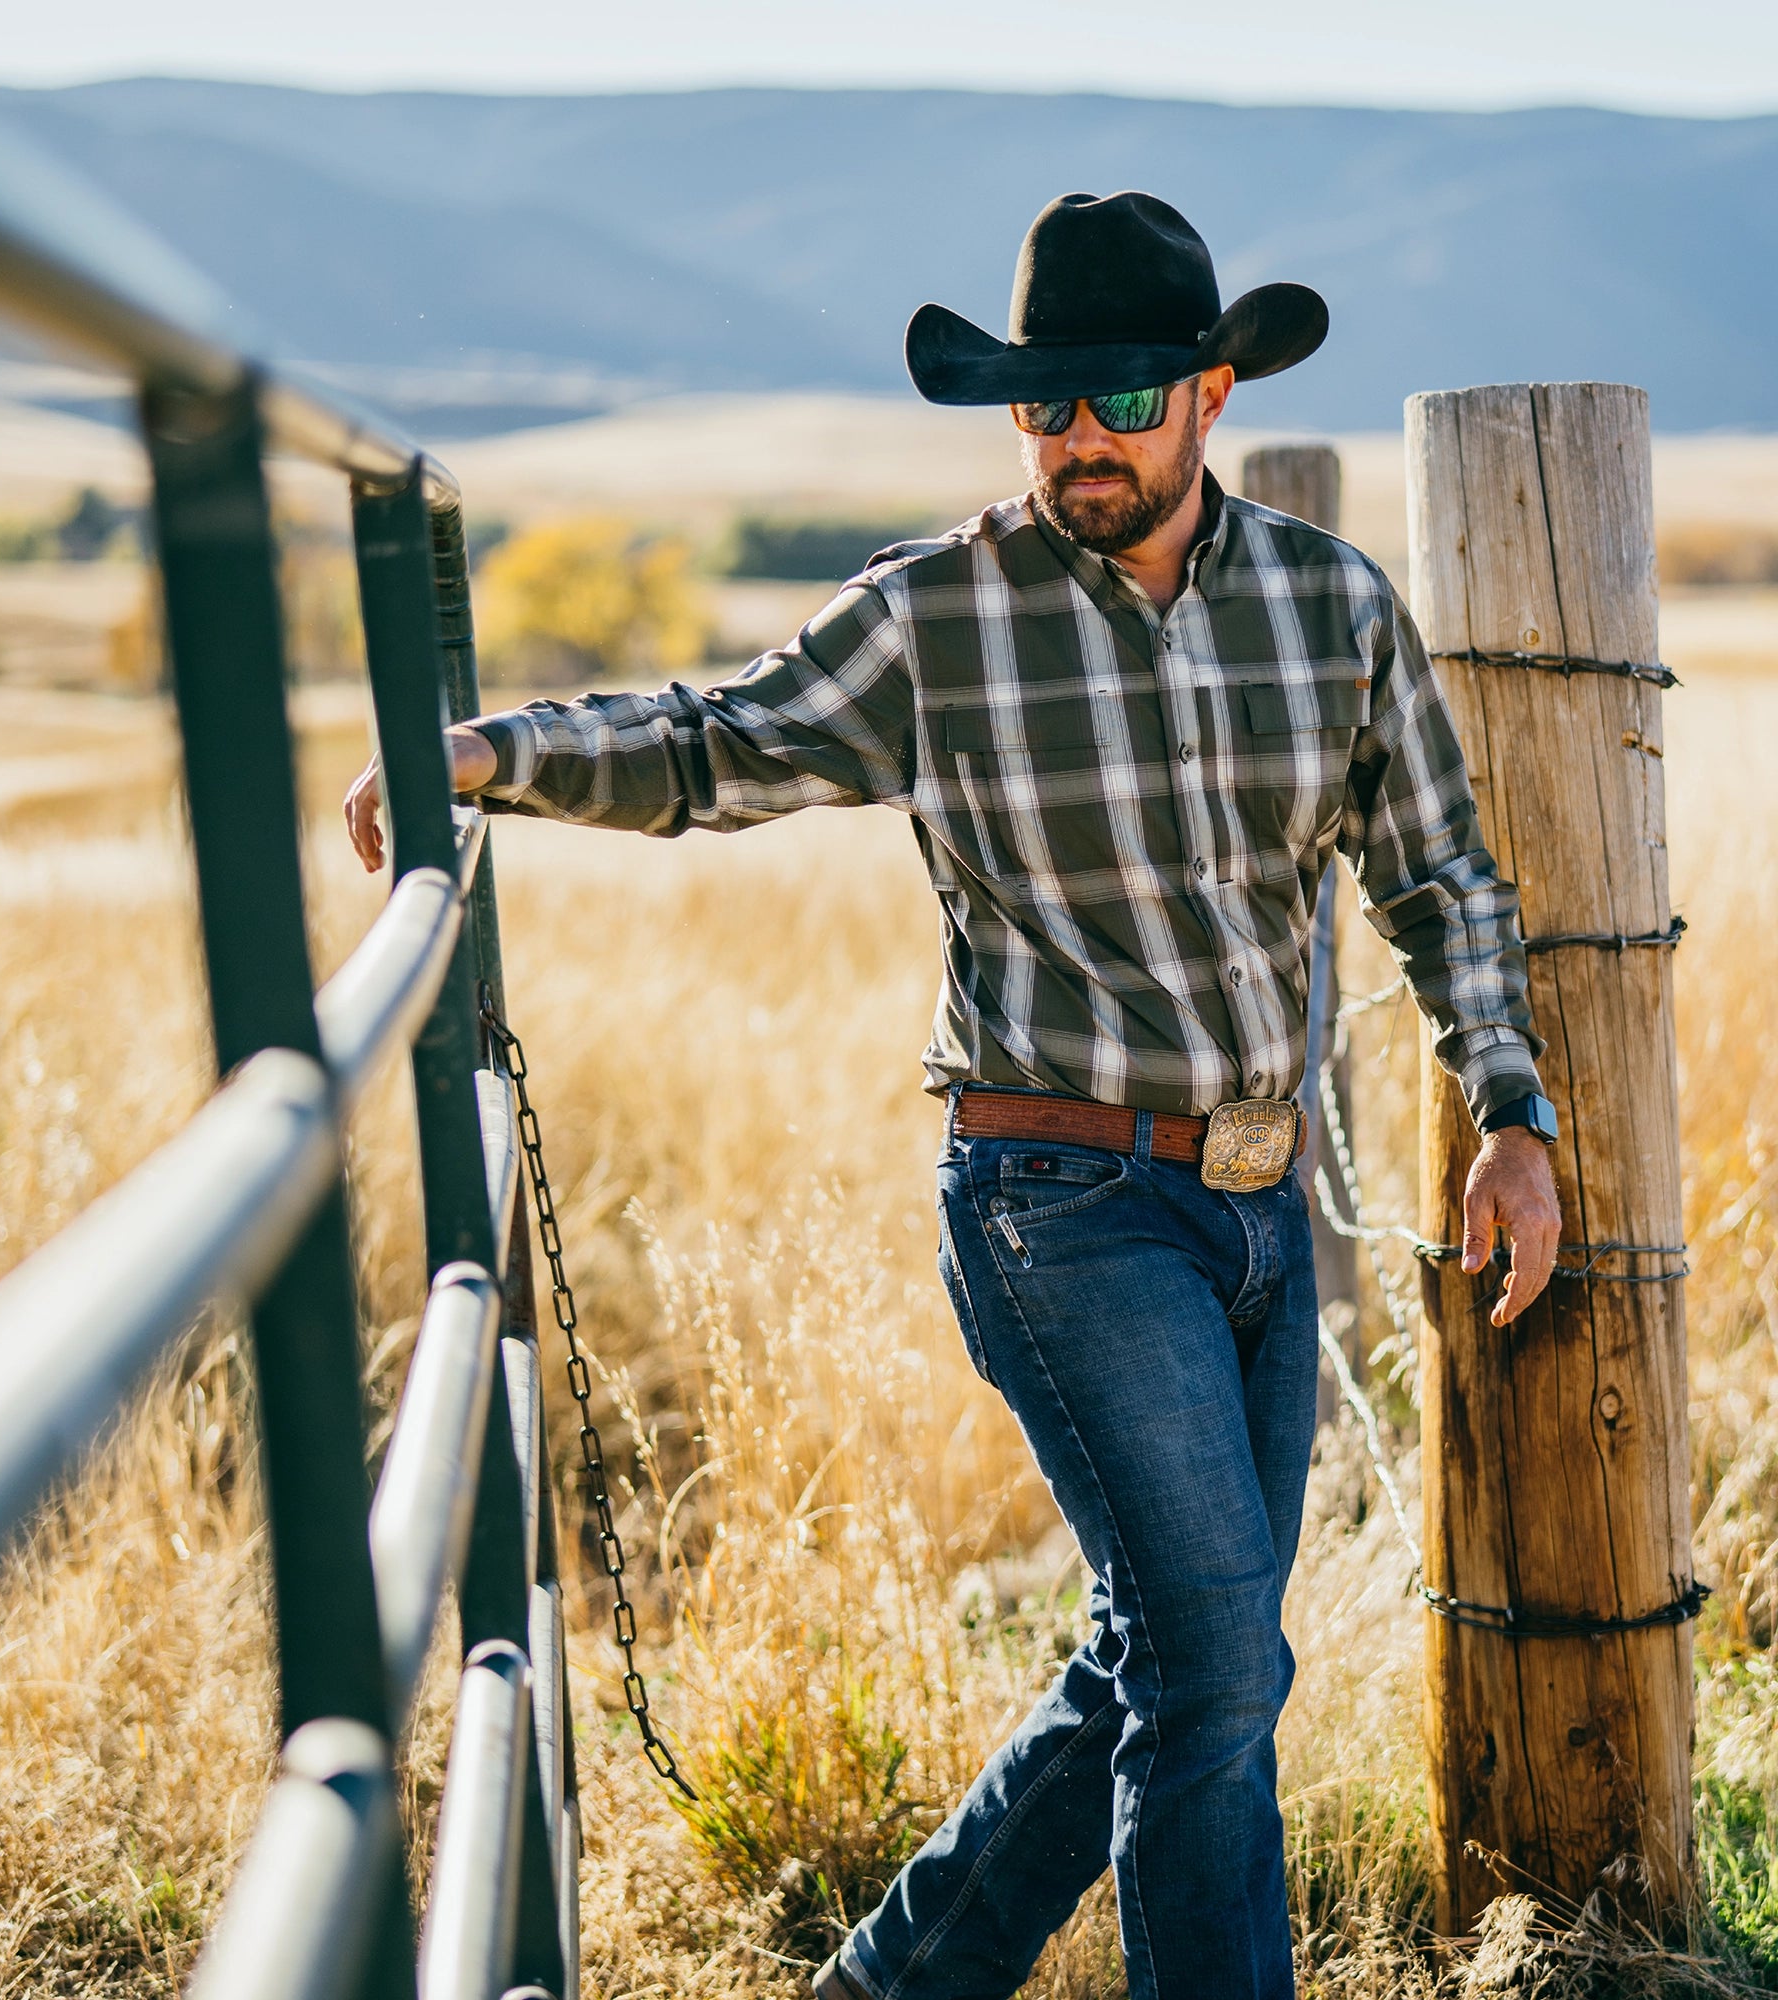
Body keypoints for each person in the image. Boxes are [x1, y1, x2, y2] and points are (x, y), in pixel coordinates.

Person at [345, 191, 1562, 2000]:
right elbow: (715, 740)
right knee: (1219, 1672)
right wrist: (488, 758)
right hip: (1054, 1201)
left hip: (1259, 1211)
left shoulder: (1333, 606)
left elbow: (1440, 875)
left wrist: (1513, 1113)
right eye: (1044, 403)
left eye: (1121, 400)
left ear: (1210, 392)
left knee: (1164, 1653)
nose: (1079, 437)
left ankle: (890, 1985)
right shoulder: (936, 616)